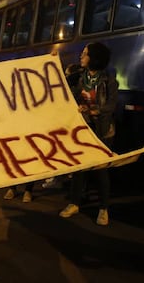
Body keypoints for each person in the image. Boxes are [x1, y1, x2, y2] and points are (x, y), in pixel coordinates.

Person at [59, 42, 118, 226]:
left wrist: (95, 111)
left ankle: (103, 208)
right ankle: (74, 203)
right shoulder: (78, 78)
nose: (81, 57)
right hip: (83, 129)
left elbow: (111, 105)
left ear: (95, 58)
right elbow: (58, 84)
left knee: (100, 170)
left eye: (85, 54)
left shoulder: (108, 81)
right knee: (79, 168)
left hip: (102, 130)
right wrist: (54, 59)